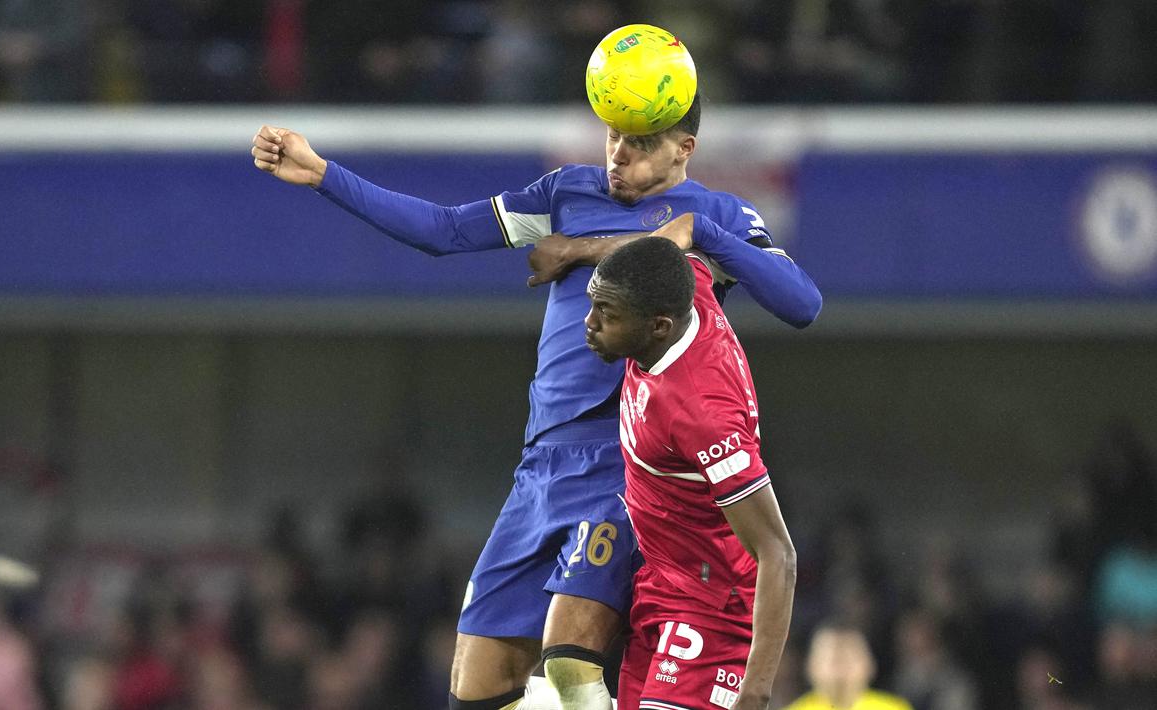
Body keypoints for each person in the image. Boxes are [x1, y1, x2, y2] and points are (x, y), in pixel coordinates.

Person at [251, 92, 821, 709]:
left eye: (638, 143)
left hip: (624, 462)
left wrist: (692, 233)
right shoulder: (567, 193)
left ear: (684, 148)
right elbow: (445, 230)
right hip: (541, 467)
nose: (618, 155)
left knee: (569, 661)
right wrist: (323, 175)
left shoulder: (720, 214)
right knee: (476, 689)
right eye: (612, 136)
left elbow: (801, 303)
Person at [582, 235, 796, 710]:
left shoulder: (702, 415)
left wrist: (756, 690)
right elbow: (688, 237)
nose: (589, 323)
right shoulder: (686, 286)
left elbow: (777, 552)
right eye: (593, 304)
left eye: (607, 314)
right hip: (661, 584)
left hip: (713, 610)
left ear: (659, 326)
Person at [785, 621, 912, 710]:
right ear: (810, 666)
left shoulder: (895, 708)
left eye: (849, 657)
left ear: (870, 664)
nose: (841, 667)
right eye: (833, 658)